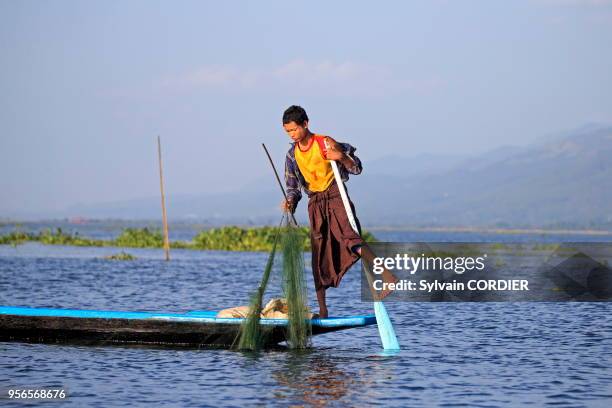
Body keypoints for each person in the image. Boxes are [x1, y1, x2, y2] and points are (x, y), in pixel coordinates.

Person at [280, 105, 379, 318]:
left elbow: (356, 168)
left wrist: (340, 157)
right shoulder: (292, 155)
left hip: (335, 194)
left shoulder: (324, 142)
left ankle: (386, 276)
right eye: (288, 131)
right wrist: (290, 202)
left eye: (294, 129)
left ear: (305, 124)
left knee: (350, 237)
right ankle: (323, 310)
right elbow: (293, 187)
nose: (292, 134)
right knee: (319, 254)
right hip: (315, 201)